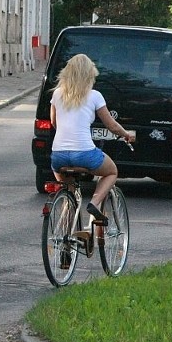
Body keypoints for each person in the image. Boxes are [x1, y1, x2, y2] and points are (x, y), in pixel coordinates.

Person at [50, 54, 136, 222]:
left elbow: (54, 122)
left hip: (58, 155)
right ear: (90, 75)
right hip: (84, 154)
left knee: (68, 192)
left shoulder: (57, 94)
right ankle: (95, 204)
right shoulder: (95, 95)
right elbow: (111, 126)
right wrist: (126, 135)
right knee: (111, 172)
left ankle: (65, 239)